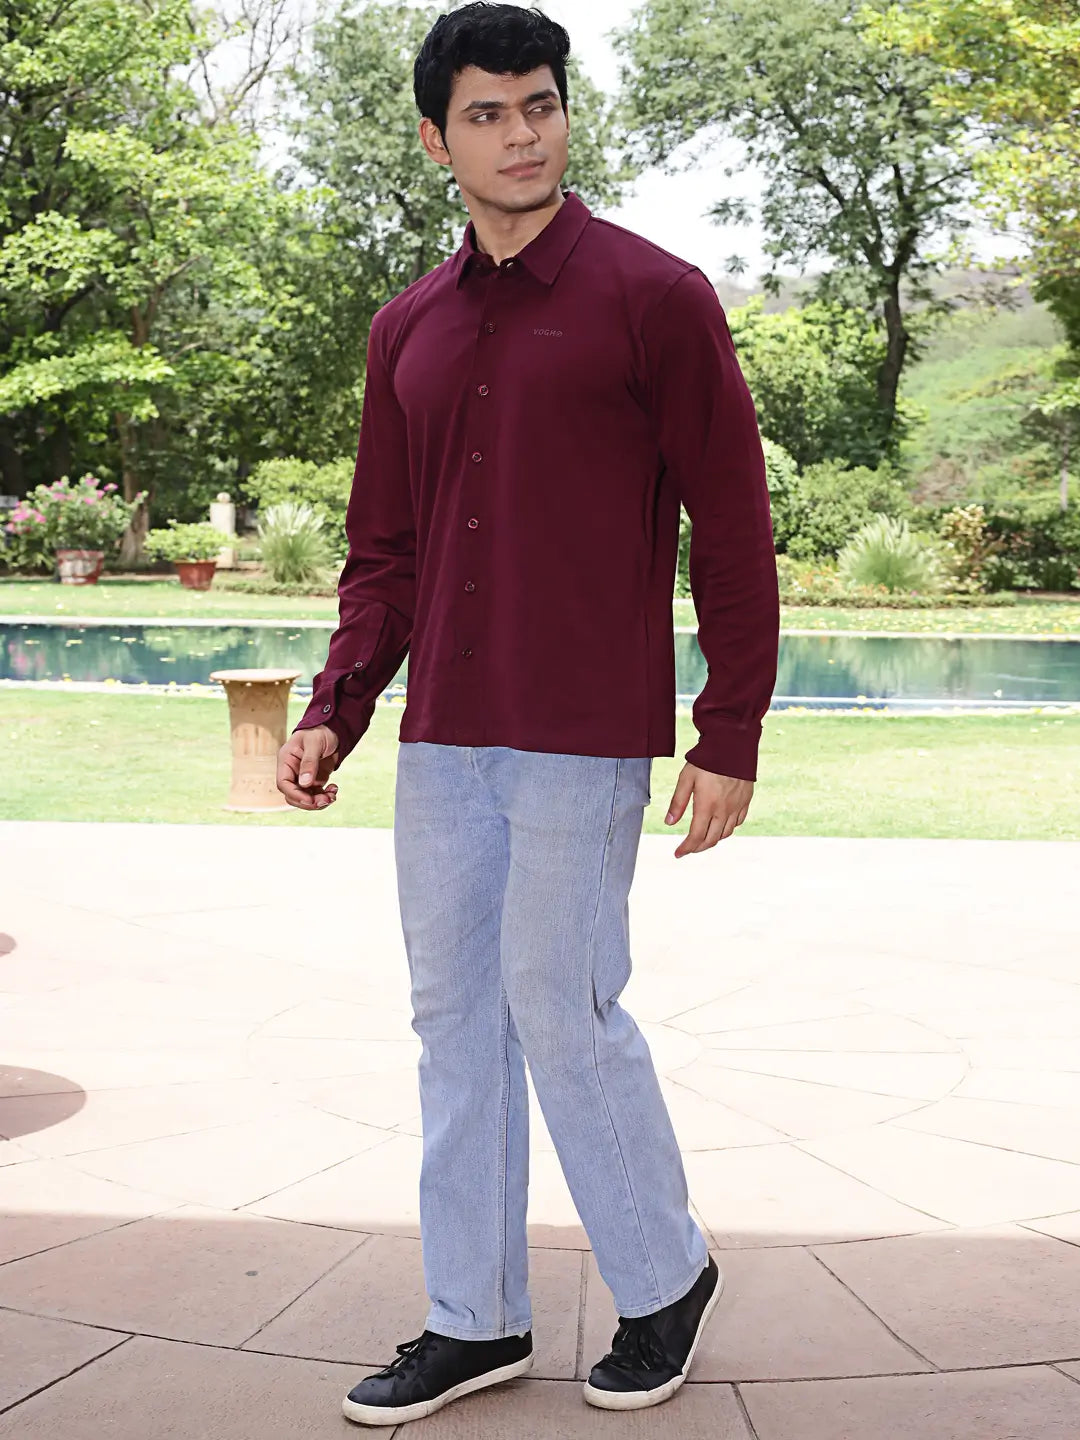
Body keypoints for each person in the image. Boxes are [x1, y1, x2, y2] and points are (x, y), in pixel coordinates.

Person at [276, 1, 779, 1426]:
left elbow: (731, 533)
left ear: (566, 115)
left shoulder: (656, 294)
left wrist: (727, 727)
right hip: (446, 734)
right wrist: (339, 704)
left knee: (561, 1003)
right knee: (454, 1019)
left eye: (540, 105)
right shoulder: (407, 329)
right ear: (438, 138)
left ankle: (663, 1274)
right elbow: (388, 549)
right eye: (489, 113)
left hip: (583, 725)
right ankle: (474, 1317)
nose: (521, 133)